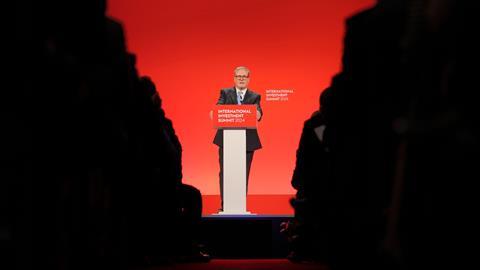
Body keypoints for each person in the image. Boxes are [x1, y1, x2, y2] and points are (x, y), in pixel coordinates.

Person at [213, 66, 263, 210]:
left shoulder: (255, 96)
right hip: (226, 139)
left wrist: (257, 113)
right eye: (238, 76)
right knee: (225, 173)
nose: (241, 78)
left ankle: (239, 205)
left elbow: (258, 112)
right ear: (234, 78)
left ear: (248, 79)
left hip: (247, 141)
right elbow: (218, 109)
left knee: (243, 173)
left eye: (244, 76)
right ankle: (225, 206)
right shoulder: (225, 92)